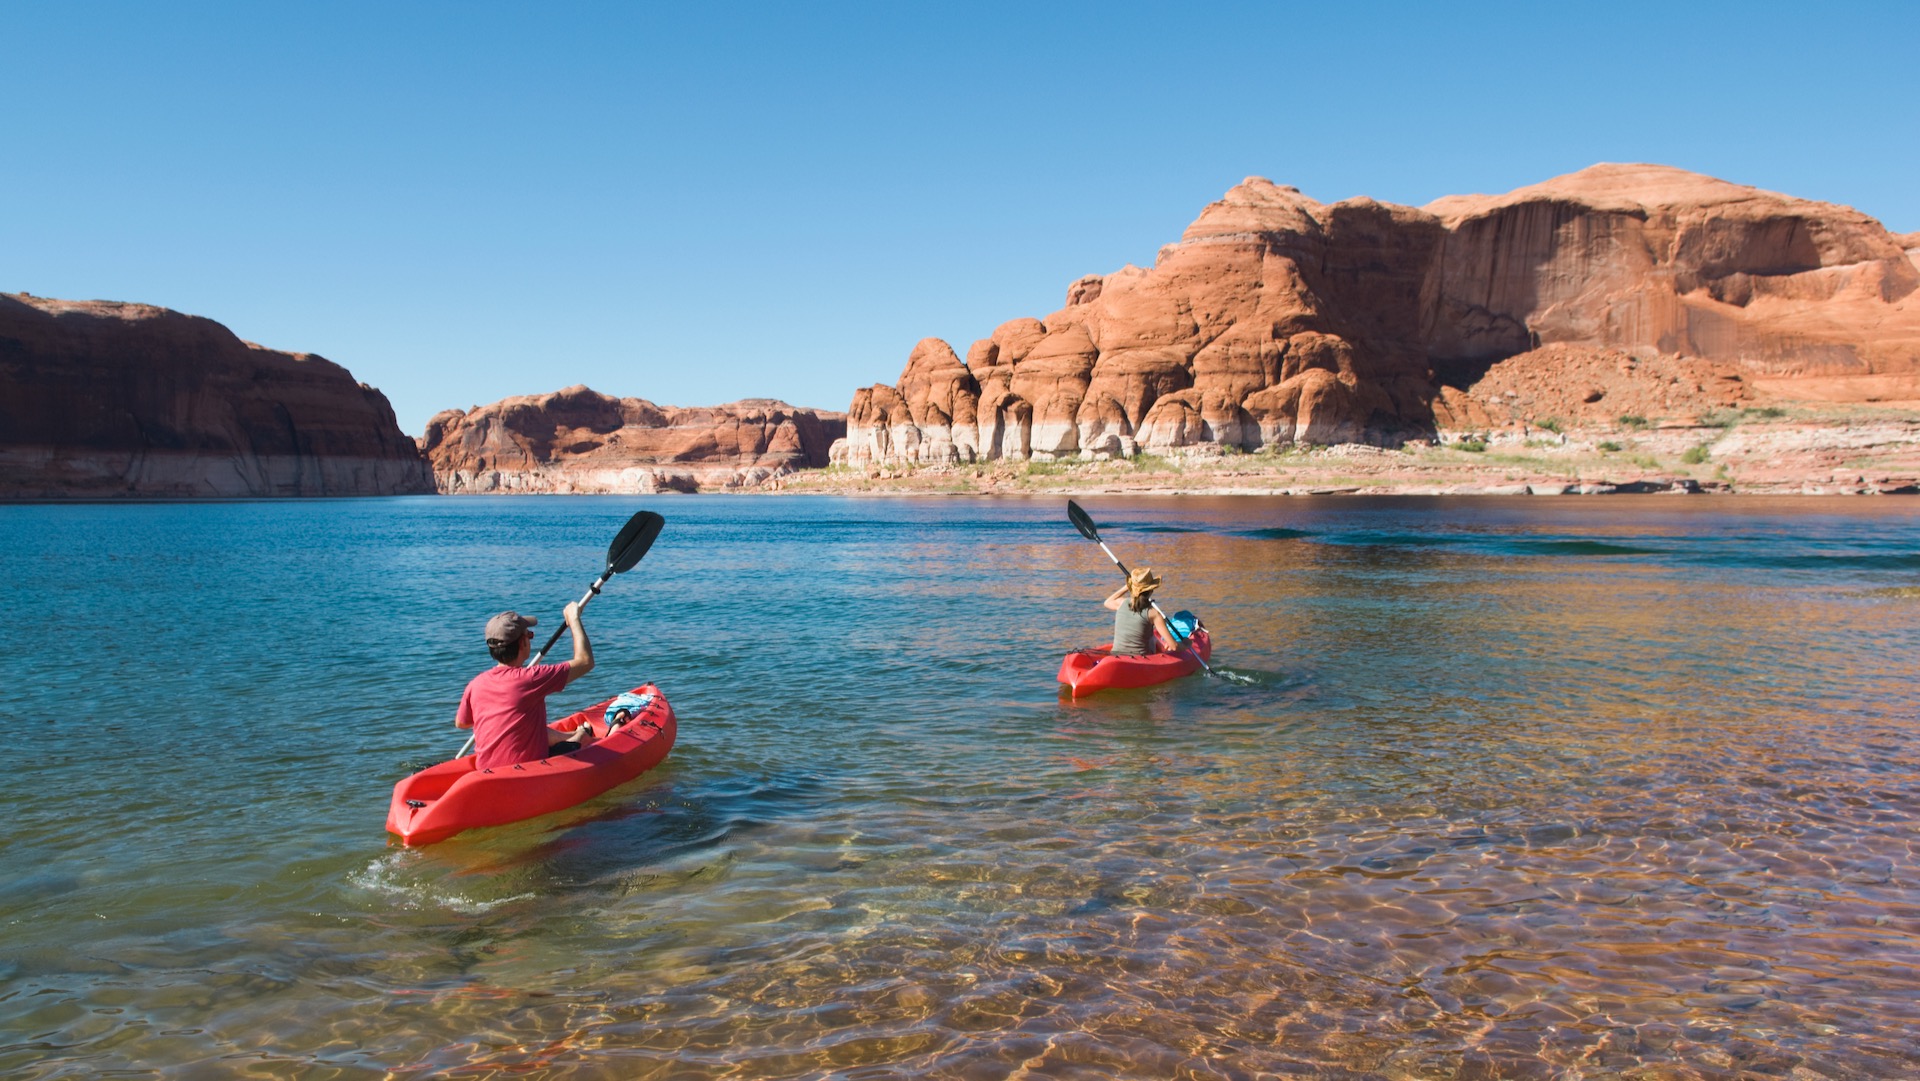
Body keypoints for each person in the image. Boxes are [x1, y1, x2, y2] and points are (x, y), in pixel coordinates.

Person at [455, 602, 596, 769]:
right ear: (523, 643)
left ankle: (571, 735)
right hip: (526, 770)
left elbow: (461, 723)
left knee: (528, 727)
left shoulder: (476, 684)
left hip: (486, 770)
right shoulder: (531, 678)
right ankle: (580, 735)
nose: (530, 638)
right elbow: (585, 661)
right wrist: (574, 619)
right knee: (583, 739)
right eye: (529, 635)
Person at [1104, 567, 1177, 656]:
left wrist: (1127, 587)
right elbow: (1174, 647)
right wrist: (1187, 643)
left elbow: (1107, 602)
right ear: (1151, 590)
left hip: (1116, 655)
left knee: (1153, 637)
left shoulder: (1121, 603)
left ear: (1132, 588)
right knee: (1153, 638)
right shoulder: (1153, 613)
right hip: (1140, 659)